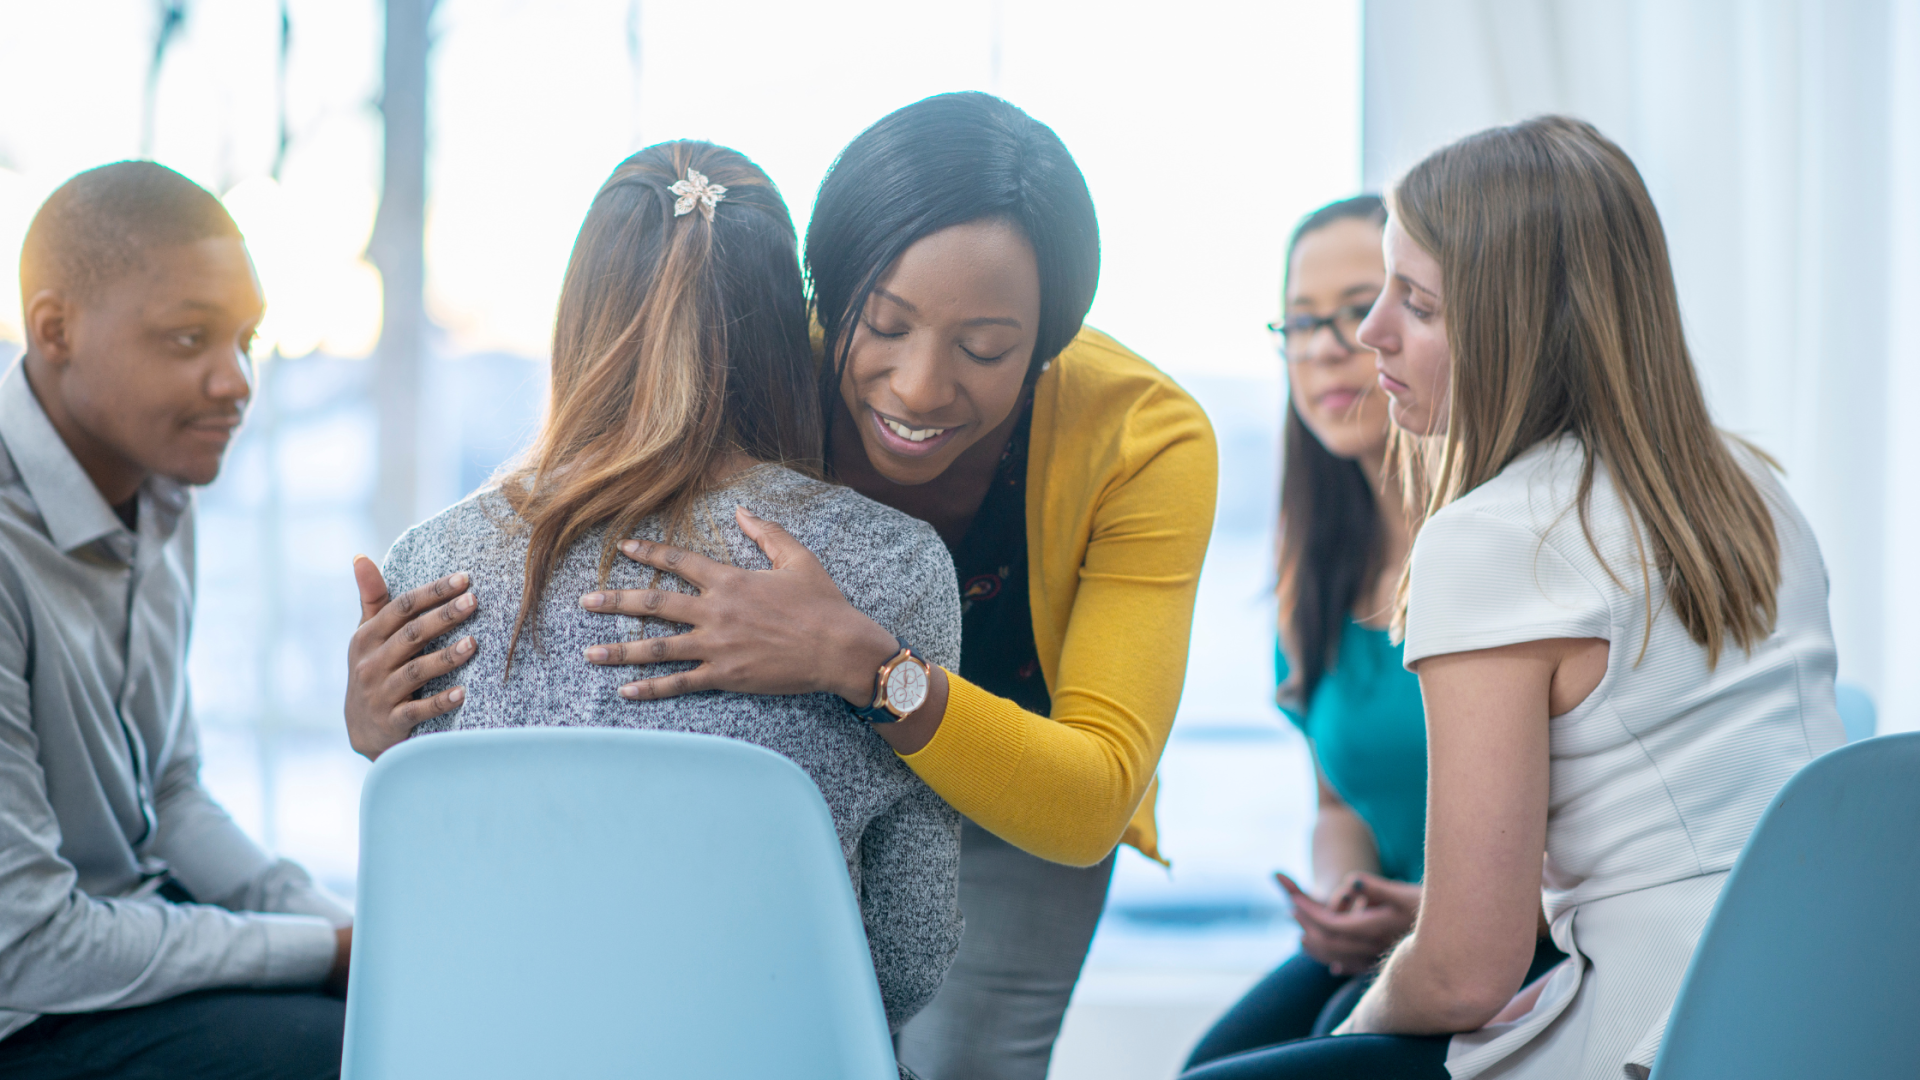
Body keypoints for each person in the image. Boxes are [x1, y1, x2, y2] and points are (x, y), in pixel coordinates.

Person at [343, 92, 1217, 1080]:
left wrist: (866, 666)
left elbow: (1091, 799)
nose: (922, 387)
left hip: (1025, 788)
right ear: (823, 295)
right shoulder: (746, 352)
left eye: (985, 350)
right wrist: (390, 719)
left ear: (1050, 342)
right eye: (882, 326)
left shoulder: (1144, 438)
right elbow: (604, 452)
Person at [1182, 117, 1845, 1080]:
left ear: (1516, 325)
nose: (1370, 338)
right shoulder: (1753, 486)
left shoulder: (1490, 538)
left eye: (1411, 302)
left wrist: (1350, 1031)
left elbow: (1463, 972)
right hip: (1815, 1000)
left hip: (1650, 1029)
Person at [369, 141, 964, 1032]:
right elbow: (908, 960)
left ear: (578, 314)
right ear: (784, 326)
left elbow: (429, 912)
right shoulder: (893, 566)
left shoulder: (432, 563)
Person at [1184, 195, 1560, 1071]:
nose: (1326, 345)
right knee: (1204, 1064)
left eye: (1361, 309)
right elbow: (1336, 805)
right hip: (1393, 934)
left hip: (1518, 946)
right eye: (1302, 321)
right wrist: (1339, 897)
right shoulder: (1313, 571)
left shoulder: (1499, 551)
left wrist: (1432, 907)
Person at [0, 162, 352, 1080]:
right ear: (54, 330)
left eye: (246, 340)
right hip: (26, 1004)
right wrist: (321, 953)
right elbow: (28, 944)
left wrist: (339, 927)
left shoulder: (161, 493)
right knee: (346, 1053)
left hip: (120, 949)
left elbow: (173, 793)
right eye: (190, 337)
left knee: (400, 1008)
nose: (235, 381)